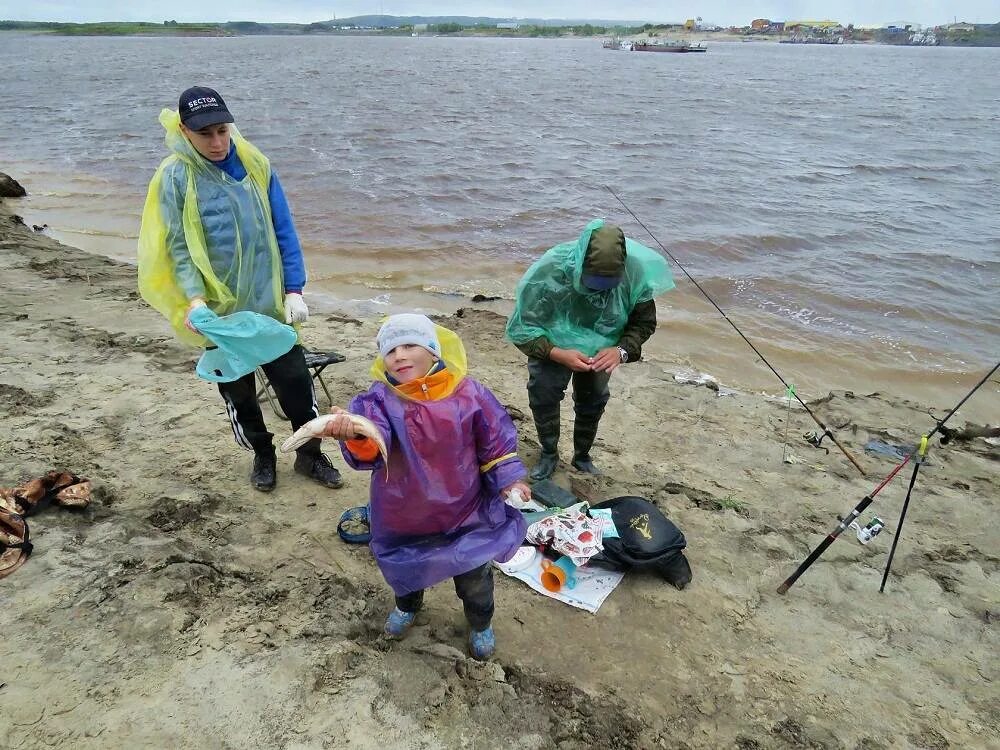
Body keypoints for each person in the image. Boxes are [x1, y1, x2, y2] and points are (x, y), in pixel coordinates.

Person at [138, 86, 342, 493]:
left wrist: (294, 289)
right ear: (184, 130)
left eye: (221, 130)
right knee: (239, 392)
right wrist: (195, 300)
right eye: (205, 134)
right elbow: (178, 245)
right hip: (219, 311)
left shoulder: (256, 165)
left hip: (267, 304)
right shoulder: (176, 176)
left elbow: (284, 229)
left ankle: (310, 455)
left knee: (297, 385)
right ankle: (262, 454)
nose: (216, 142)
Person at [319, 313, 530, 660]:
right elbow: (371, 451)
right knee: (406, 567)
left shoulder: (470, 394)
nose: (398, 355)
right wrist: (356, 434)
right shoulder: (376, 401)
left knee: (475, 577)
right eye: (389, 350)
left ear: (434, 351)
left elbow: (496, 447)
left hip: (466, 511)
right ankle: (407, 605)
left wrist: (510, 481)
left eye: (409, 345)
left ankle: (480, 623)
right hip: (404, 511)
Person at [505, 219, 675, 480]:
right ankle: (549, 453)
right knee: (543, 393)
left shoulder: (635, 273)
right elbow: (523, 327)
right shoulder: (550, 269)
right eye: (592, 281)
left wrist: (620, 351)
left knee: (593, 399)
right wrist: (556, 353)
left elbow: (644, 324)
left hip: (603, 348)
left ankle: (582, 455)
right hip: (554, 342)